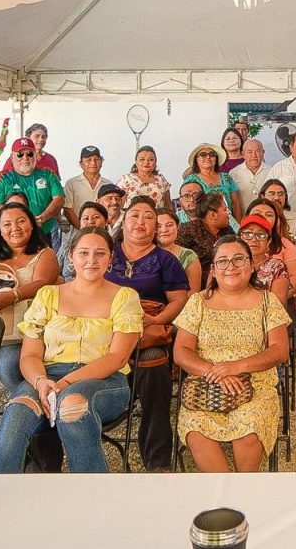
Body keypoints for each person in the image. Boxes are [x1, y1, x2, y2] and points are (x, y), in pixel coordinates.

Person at [0, 227, 143, 473]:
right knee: (17, 410)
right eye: (84, 253)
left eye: (100, 253)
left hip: (104, 380)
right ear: (70, 256)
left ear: (111, 258)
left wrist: (65, 383)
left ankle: (92, 494)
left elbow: (117, 358)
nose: (91, 260)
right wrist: (40, 382)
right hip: (47, 376)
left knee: (72, 405)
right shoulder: (48, 295)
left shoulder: (124, 297)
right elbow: (30, 355)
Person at [173, 236, 291, 472]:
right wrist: (215, 372)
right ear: (213, 270)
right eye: (223, 261)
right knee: (196, 433)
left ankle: (240, 489)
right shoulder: (197, 302)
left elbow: (280, 350)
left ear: (252, 265)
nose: (231, 267)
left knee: (248, 431)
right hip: (205, 383)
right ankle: (228, 490)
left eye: (239, 259)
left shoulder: (268, 302)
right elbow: (181, 352)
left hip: (256, 383)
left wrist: (235, 367)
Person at [106, 196, 190, 472]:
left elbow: (179, 299)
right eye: (135, 215)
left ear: (156, 226)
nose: (140, 221)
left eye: (148, 217)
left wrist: (156, 319)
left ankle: (157, 460)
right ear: (123, 222)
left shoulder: (166, 260)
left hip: (148, 331)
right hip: (105, 331)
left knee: (154, 365)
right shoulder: (106, 253)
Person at [0, 202, 60, 394]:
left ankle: (28, 401)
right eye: (7, 224)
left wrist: (13, 296)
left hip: (24, 333)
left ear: (32, 224)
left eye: (21, 221)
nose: (15, 228)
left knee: (7, 367)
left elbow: (43, 283)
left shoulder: (45, 254)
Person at [245, 199, 296, 356]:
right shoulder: (236, 246)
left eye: (269, 214)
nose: (263, 217)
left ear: (277, 220)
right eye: (257, 213)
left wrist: (285, 293)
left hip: (282, 298)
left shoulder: (286, 245)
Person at [0, 138, 65, 246]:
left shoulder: (49, 174)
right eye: (20, 154)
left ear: (36, 156)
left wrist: (42, 218)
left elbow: (59, 199)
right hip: (12, 235)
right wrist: (21, 221)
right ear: (12, 157)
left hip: (42, 234)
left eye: (29, 154)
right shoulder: (2, 178)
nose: (25, 158)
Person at [177, 192, 235, 290]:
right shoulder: (188, 230)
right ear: (213, 215)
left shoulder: (227, 230)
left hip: (225, 282)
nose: (228, 213)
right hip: (194, 287)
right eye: (225, 210)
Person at [184, 142, 242, 220]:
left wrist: (238, 223)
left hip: (228, 222)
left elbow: (236, 203)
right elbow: (188, 205)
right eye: (203, 155)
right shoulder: (190, 180)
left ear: (216, 158)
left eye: (212, 154)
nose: (208, 157)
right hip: (203, 224)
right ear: (196, 159)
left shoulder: (226, 177)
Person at [239, 214, 290, 303]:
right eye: (248, 234)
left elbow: (278, 304)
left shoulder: (276, 267)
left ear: (268, 241)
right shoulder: (230, 264)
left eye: (261, 235)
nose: (254, 239)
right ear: (239, 238)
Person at [62, 146, 112, 231]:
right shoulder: (72, 183)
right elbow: (67, 209)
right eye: (88, 160)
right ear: (81, 164)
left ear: (101, 162)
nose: (93, 163)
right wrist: (83, 229)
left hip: (102, 232)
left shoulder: (108, 184)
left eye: (96, 159)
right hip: (78, 232)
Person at [60, 202, 110, 281]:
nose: (90, 222)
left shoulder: (114, 246)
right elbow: (55, 272)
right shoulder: (68, 245)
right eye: (86, 218)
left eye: (96, 217)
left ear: (106, 221)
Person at [158, 209, 202, 296]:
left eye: (169, 225)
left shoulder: (189, 256)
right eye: (158, 226)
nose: (164, 230)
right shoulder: (144, 254)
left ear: (178, 227)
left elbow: (193, 294)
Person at [116, 145, 172, 210]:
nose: (146, 162)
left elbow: (168, 206)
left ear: (155, 162)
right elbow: (118, 204)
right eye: (142, 159)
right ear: (136, 162)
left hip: (156, 215)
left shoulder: (161, 179)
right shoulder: (126, 179)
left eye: (150, 160)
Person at [230, 139, 271, 212]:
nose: (254, 155)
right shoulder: (234, 173)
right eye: (250, 152)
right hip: (242, 217)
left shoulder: (271, 171)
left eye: (257, 151)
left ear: (263, 152)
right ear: (243, 154)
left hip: (265, 216)